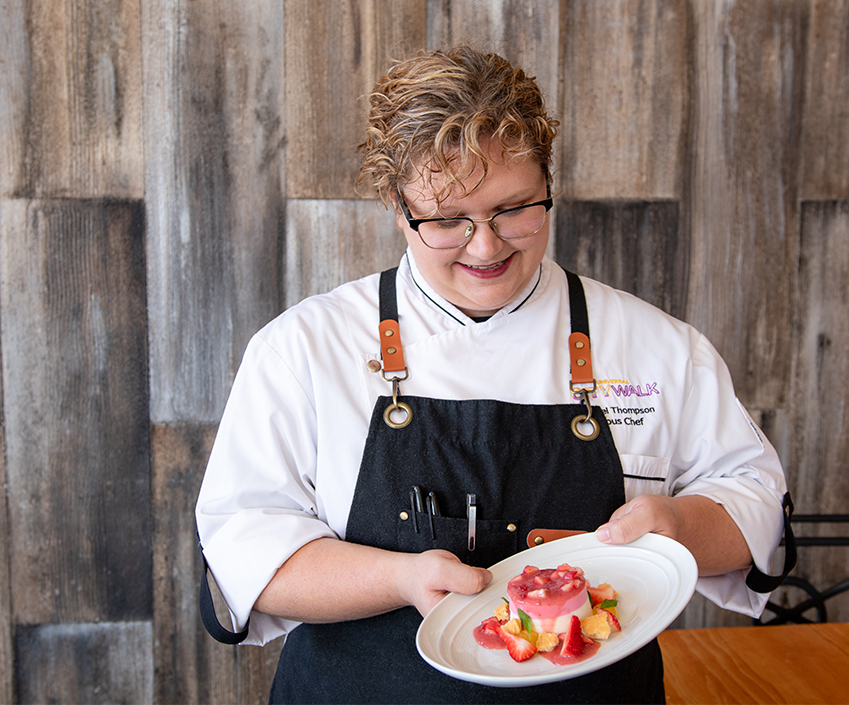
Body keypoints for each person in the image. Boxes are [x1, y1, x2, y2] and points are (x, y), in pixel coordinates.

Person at [196, 46, 791, 704]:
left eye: (515, 209)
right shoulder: (305, 348)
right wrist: (399, 578)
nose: (486, 246)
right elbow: (246, 548)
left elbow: (755, 503)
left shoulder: (657, 347)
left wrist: (679, 523)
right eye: (448, 219)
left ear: (548, 184)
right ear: (396, 204)